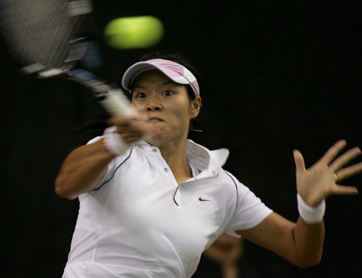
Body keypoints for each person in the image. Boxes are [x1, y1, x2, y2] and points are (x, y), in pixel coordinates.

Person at [55, 52, 361, 278]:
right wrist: (114, 143)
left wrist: (310, 208)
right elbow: (66, 185)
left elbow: (300, 251)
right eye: (141, 95)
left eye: (167, 92)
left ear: (194, 106)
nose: (152, 102)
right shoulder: (117, 154)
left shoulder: (222, 187)